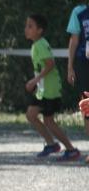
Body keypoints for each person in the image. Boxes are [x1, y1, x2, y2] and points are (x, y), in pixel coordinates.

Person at [23, 14, 80, 161]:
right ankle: (51, 144)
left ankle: (71, 149)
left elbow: (50, 64)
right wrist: (37, 84)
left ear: (40, 30)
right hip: (43, 90)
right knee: (31, 115)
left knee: (48, 121)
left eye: (31, 26)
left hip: (50, 89)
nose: (27, 29)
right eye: (27, 26)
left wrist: (34, 80)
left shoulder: (41, 44)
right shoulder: (36, 44)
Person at [67, 0, 89, 164]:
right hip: (84, 64)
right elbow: (74, 41)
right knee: (87, 107)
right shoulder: (79, 13)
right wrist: (70, 67)